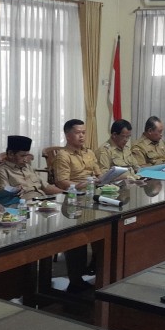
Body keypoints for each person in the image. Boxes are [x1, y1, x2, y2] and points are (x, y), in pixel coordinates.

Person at [53, 119, 103, 293]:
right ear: (68, 135)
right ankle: (75, 279)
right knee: (78, 236)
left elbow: (99, 174)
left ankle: (100, 269)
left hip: (92, 196)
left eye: (83, 132)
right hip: (73, 200)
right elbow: (62, 182)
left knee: (105, 227)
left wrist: (104, 178)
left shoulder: (89, 152)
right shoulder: (63, 155)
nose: (82, 136)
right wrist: (81, 185)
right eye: (77, 133)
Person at [0, 135, 64, 200]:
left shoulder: (27, 167)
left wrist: (65, 193)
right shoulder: (2, 171)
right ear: (11, 154)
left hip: (42, 200)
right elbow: (4, 195)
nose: (26, 160)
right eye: (22, 156)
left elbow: (46, 187)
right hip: (23, 204)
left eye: (27, 155)